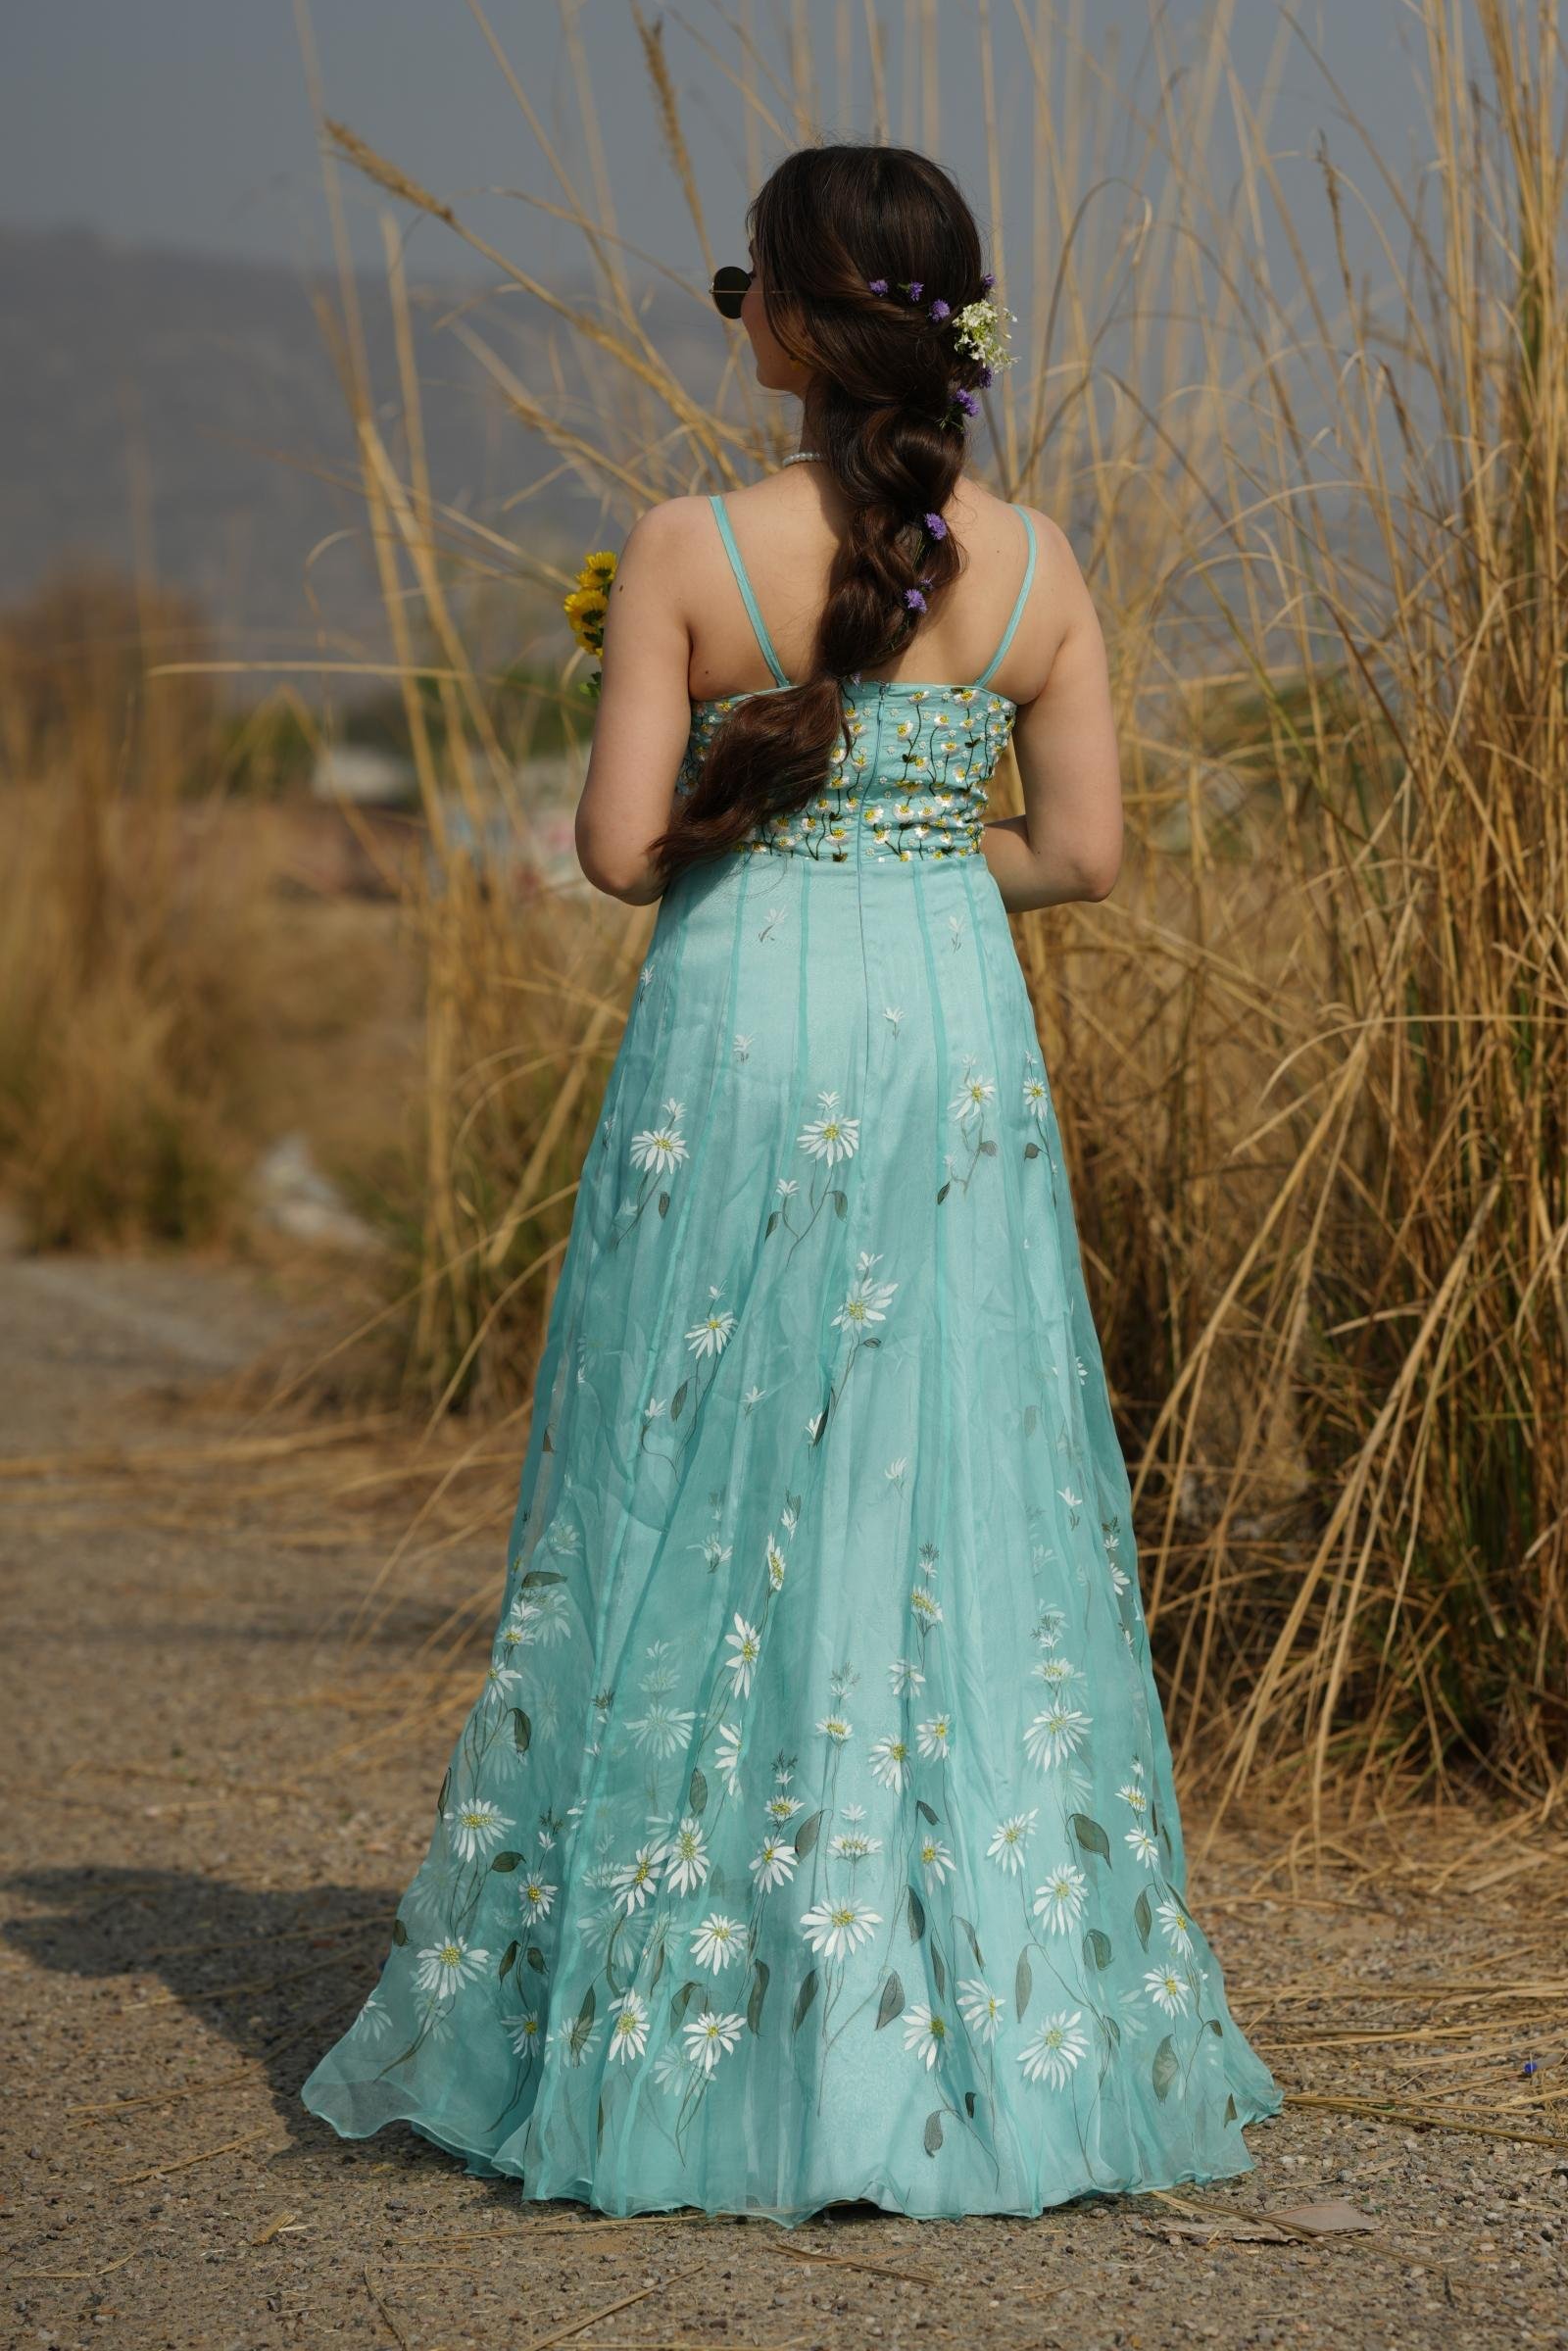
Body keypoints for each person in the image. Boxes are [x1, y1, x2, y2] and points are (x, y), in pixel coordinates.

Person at [301, 140, 1281, 2225]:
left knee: (695, 1457)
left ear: (794, 321)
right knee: (945, 1467)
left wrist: (772, 817)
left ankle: (688, 1994)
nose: (731, 307)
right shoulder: (1039, 567)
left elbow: (614, 854)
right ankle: (956, 1996)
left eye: (739, 278)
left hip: (741, 1033)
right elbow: (1087, 855)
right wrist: (917, 844)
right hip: (946, 1035)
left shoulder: (683, 546)